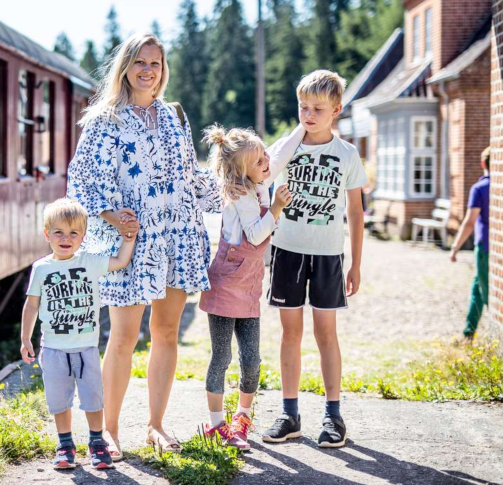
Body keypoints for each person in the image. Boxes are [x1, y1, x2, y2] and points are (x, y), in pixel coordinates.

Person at [67, 33, 223, 456]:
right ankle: (109, 431)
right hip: (131, 243)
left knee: (167, 332)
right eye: (140, 62)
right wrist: (110, 215)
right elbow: (81, 180)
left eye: (155, 63)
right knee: (122, 338)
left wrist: (235, 191)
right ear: (125, 68)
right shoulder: (105, 120)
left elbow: (190, 175)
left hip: (176, 235)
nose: (148, 71)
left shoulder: (174, 115)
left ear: (162, 69)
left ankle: (155, 425)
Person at [261, 69, 367, 449]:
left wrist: (355, 263)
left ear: (336, 110)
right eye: (303, 107)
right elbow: (262, 175)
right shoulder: (287, 149)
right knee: (290, 333)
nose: (308, 114)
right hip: (287, 251)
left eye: (317, 108)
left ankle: (333, 415)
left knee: (326, 335)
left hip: (328, 256)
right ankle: (290, 414)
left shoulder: (347, 154)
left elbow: (355, 212)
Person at [198, 124, 302, 450]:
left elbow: (282, 153)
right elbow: (256, 234)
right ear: (243, 171)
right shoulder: (239, 195)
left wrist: (304, 125)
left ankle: (241, 420)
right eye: (259, 161)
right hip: (226, 285)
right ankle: (216, 425)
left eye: (264, 156)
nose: (267, 162)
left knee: (252, 359)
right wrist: (276, 209)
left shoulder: (257, 183)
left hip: (249, 287)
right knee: (221, 357)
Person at [20, 198, 138, 470]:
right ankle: (65, 445)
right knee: (59, 400)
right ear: (47, 234)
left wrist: (128, 238)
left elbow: (120, 260)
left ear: (83, 237)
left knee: (92, 397)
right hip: (53, 348)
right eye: (59, 232)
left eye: (74, 233)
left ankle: (97, 443)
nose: (66, 238)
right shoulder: (42, 268)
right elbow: (32, 304)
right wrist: (26, 337)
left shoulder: (89, 262)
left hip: (86, 348)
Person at [450, 147, 491, 339]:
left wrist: (455, 247)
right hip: (492, 248)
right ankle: (468, 333)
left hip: (484, 248)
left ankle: (493, 332)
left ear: (483, 163)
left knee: (487, 290)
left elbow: (469, 222)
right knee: (477, 286)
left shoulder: (479, 188)